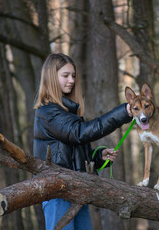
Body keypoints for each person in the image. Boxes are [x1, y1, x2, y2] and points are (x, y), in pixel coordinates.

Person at [33, 53, 132, 230]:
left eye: (73, 75)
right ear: (51, 77)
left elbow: (72, 155)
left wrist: (98, 156)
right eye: (65, 75)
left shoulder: (68, 112)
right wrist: (123, 112)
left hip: (77, 192)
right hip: (58, 195)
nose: (71, 80)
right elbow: (80, 133)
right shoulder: (48, 111)